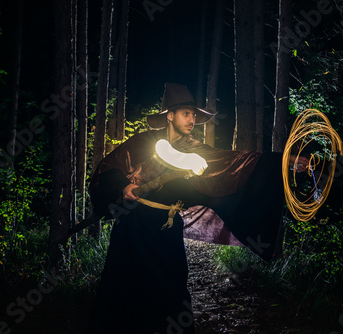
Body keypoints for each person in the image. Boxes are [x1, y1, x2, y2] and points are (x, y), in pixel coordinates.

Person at [87, 83, 309, 333]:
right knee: (125, 287)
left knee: (171, 289)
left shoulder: (196, 152)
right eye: (186, 113)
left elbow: (235, 162)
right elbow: (108, 168)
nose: (192, 119)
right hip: (133, 227)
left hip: (166, 227)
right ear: (169, 116)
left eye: (194, 114)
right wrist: (123, 185)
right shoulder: (143, 142)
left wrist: (284, 161)